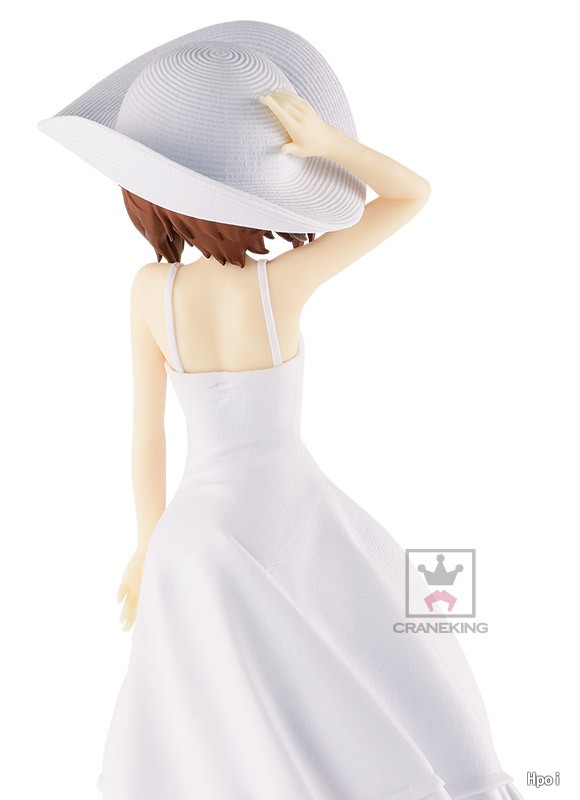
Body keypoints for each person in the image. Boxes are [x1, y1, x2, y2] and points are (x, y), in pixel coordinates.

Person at [37, 21, 525, 800]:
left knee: (214, 704)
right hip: (288, 509)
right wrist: (330, 146)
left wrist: (147, 544)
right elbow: (411, 195)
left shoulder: (150, 291)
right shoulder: (276, 286)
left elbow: (145, 435)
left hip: (196, 529)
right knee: (374, 649)